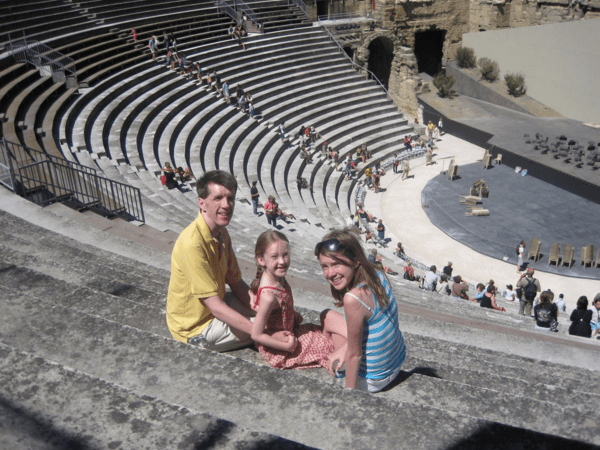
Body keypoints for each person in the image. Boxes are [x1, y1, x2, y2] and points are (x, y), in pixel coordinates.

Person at [166, 170, 259, 350]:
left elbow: (236, 282)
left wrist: (266, 310)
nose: (226, 205)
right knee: (266, 327)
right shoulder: (192, 243)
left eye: (230, 198)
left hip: (216, 304)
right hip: (195, 326)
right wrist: (260, 331)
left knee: (271, 312)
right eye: (218, 198)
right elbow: (215, 306)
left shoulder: (222, 233)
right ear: (202, 203)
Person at [316, 229, 407, 392]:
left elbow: (355, 355)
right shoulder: (376, 272)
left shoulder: (354, 298)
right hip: (396, 361)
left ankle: (328, 357)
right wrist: (347, 347)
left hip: (374, 379)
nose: (330, 273)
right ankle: (334, 351)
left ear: (356, 260)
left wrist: (350, 393)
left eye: (337, 264)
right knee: (326, 316)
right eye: (325, 266)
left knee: (335, 348)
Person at [250, 230, 333, 369]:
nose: (282, 261)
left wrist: (291, 315)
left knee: (326, 334)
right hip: (281, 347)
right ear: (261, 260)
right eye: (275, 256)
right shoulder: (269, 296)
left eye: (285, 255)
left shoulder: (277, 277)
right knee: (328, 345)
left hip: (290, 331)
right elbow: (256, 334)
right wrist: (286, 346)